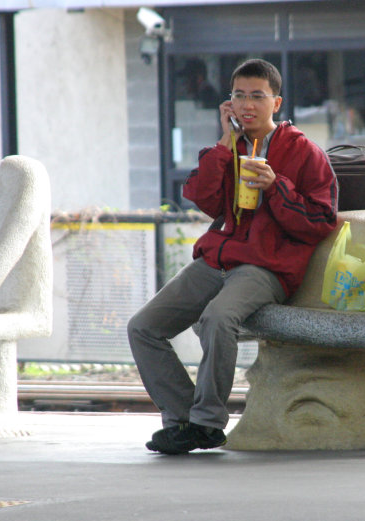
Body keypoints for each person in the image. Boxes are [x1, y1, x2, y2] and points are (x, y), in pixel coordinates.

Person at [128, 59, 338, 455]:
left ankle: (206, 424)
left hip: (266, 267)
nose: (246, 104)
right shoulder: (231, 147)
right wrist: (225, 143)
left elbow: (321, 221)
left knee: (217, 317)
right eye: (238, 95)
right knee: (143, 327)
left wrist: (277, 188)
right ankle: (182, 419)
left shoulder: (305, 152)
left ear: (276, 102)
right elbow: (203, 198)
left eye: (257, 96)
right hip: (218, 258)